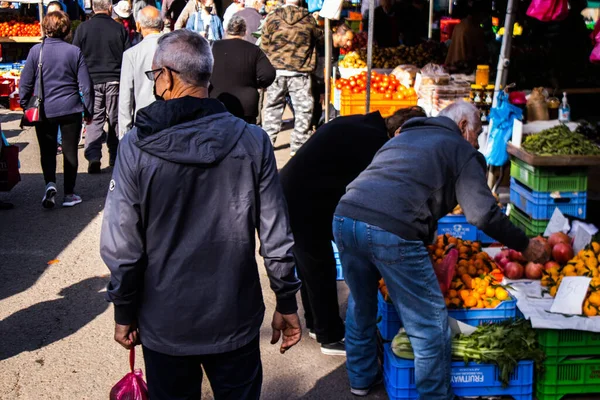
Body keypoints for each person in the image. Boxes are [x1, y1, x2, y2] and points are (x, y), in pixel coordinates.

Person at [100, 29, 302, 399]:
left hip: (165, 321)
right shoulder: (253, 140)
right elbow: (276, 233)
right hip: (233, 315)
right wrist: (286, 299)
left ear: (167, 76)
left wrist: (124, 309)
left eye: (153, 76)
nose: (154, 84)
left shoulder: (135, 147)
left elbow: (122, 244)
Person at [332, 101, 549, 398]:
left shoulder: (404, 137)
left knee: (361, 301)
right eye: (478, 132)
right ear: (462, 127)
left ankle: (360, 379)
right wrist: (524, 245)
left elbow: (398, 188)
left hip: (345, 217)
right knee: (429, 327)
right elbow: (482, 214)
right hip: (391, 230)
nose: (478, 140)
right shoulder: (462, 150)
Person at [280, 106, 426, 356]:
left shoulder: (364, 125)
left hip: (296, 193)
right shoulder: (374, 142)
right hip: (301, 200)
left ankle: (318, 324)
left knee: (310, 265)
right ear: (401, 131)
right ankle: (330, 336)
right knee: (318, 266)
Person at [19, 11, 93, 208]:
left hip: (44, 110)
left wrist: (25, 104)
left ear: (45, 28)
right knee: (70, 152)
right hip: (70, 108)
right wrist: (89, 110)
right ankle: (69, 193)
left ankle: (50, 185)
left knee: (47, 151)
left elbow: (25, 83)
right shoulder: (74, 52)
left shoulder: (36, 51)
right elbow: (86, 85)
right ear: (67, 29)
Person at [73, 0, 129, 173]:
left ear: (93, 8)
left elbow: (75, 54)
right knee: (115, 120)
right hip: (115, 79)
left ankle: (93, 156)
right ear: (110, 8)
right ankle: (115, 156)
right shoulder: (119, 28)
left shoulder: (83, 28)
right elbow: (127, 56)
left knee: (94, 119)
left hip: (91, 81)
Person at [260, 0, 322, 156]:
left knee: (272, 108)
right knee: (303, 111)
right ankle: (298, 147)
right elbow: (318, 39)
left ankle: (267, 143)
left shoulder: (272, 17)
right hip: (300, 72)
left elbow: (264, 44)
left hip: (277, 71)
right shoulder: (309, 19)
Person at [210, 16, 275, 123]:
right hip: (247, 105)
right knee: (246, 138)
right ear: (245, 32)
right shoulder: (254, 50)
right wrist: (256, 84)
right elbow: (268, 74)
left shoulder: (212, 47)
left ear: (226, 30)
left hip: (217, 102)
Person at [118, 6, 162, 138]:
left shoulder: (131, 54)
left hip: (144, 123)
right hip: (172, 120)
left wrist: (124, 135)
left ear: (138, 25)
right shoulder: (175, 47)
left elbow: (126, 99)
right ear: (161, 24)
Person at [445, 2, 488, 70]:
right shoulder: (475, 28)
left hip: (453, 66)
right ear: (479, 14)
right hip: (464, 69)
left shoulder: (459, 25)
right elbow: (480, 52)